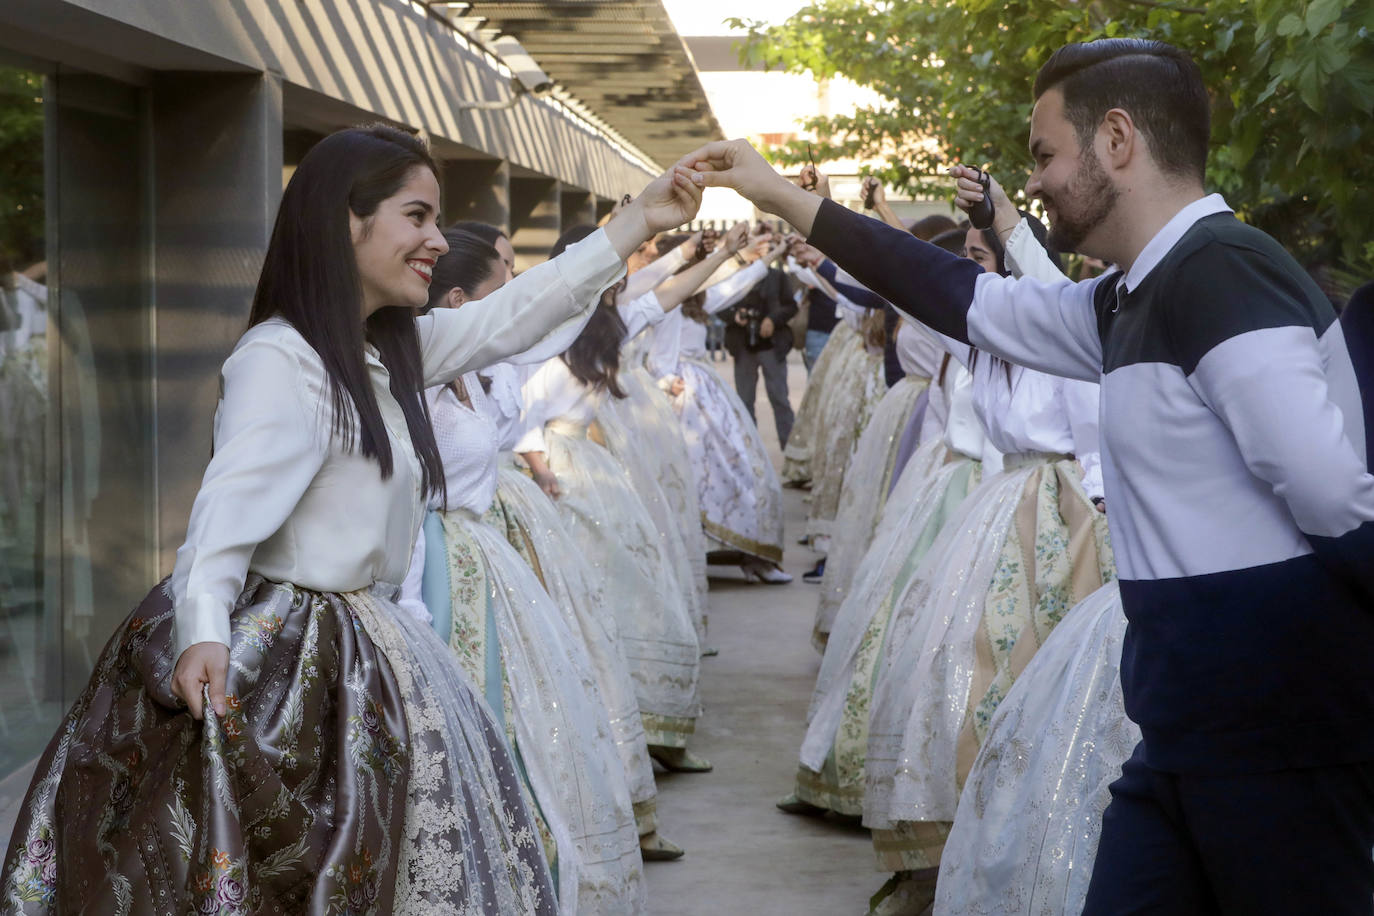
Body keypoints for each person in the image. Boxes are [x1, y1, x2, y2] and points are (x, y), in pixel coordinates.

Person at [679, 37, 1374, 912]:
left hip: (1275, 738)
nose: (1035, 182)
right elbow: (973, 303)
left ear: (1117, 139)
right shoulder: (1137, 294)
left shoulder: (1222, 276)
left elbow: (1334, 498)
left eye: (1046, 154)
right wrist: (781, 194)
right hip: (1182, 733)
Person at [0, 123, 703, 913]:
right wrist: (202, 629)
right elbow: (224, 512)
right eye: (417, 216)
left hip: (367, 647)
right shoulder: (283, 358)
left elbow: (516, 316)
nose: (437, 240)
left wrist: (640, 221)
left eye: (437, 220)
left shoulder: (383, 350)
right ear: (345, 221)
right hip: (298, 666)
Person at [400, 228, 645, 910]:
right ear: (456, 303)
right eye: (498, 291)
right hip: (432, 565)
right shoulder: (410, 376)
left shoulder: (484, 370)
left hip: (480, 557)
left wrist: (630, 238)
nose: (510, 305)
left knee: (530, 718)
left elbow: (542, 323)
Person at [720, 228, 796, 446]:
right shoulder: (734, 276)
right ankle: (750, 454)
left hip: (772, 346)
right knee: (744, 401)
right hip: (743, 346)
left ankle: (790, 454)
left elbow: (791, 307)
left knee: (780, 399)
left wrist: (773, 319)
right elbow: (715, 304)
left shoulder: (778, 276)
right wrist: (735, 316)